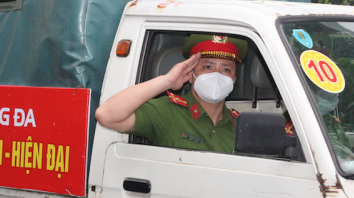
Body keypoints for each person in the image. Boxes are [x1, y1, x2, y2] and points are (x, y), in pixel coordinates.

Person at [95, 34, 247, 152]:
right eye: (208, 67)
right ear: (191, 75)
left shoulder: (241, 126)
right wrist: (167, 81)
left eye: (226, 69)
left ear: (234, 79)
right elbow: (106, 115)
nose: (216, 75)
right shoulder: (168, 112)